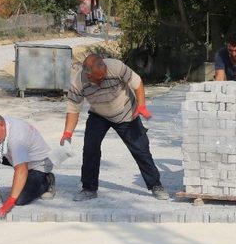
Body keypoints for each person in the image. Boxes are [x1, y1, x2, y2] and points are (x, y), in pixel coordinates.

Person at [62, 54, 169, 201]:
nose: (102, 79)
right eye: (98, 78)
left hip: (126, 112)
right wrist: (67, 133)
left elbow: (137, 83)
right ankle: (89, 189)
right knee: (90, 149)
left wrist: (142, 105)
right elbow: (73, 109)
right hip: (99, 114)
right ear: (88, 74)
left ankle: (155, 185)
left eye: (104, 75)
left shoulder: (115, 67)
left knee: (141, 150)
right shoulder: (78, 82)